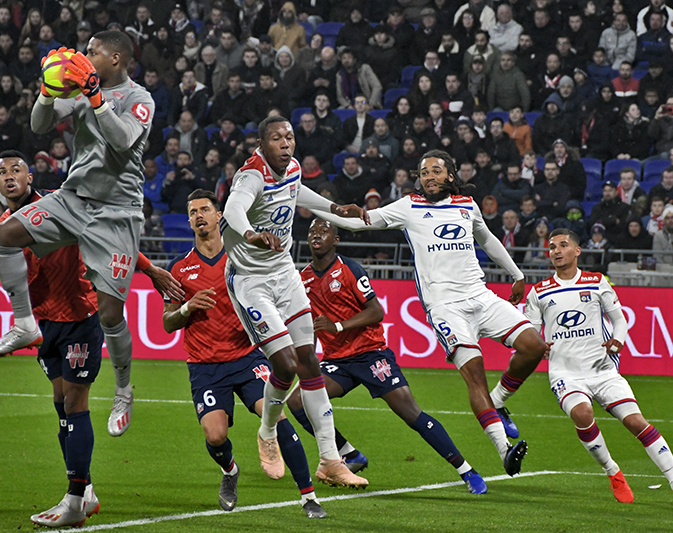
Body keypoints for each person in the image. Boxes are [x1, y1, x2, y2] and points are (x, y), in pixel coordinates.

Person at [310, 149, 549, 476]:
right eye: (424, 173)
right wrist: (312, 203)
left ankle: (500, 399)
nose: (429, 177)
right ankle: (504, 450)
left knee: (535, 345)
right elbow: (361, 223)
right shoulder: (409, 206)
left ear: (450, 176)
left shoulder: (467, 206)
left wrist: (516, 273)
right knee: (474, 375)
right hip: (445, 308)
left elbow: (488, 238)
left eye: (436, 171)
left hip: (480, 295)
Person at [0, 33, 176, 440]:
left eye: (92, 52)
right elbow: (38, 126)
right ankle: (24, 323)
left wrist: (94, 96)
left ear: (116, 57)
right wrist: (47, 89)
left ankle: (124, 387)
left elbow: (124, 141)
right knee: (5, 234)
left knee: (109, 314)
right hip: (73, 199)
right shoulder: (78, 87)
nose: (85, 56)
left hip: (117, 214)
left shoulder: (139, 97)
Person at [0, 150, 178, 527]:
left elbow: (107, 235)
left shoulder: (56, 205)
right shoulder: (7, 224)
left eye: (16, 169)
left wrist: (149, 269)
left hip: (80, 315)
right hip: (46, 324)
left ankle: (75, 500)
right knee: (61, 405)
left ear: (30, 177)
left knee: (75, 403)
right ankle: (85, 489)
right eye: (1, 172)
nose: (9, 175)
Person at [287, 218, 488, 495]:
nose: (317, 234)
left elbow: (376, 311)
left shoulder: (350, 270)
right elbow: (306, 321)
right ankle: (348, 453)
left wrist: (337, 326)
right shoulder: (304, 278)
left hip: (371, 354)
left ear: (336, 240)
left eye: (325, 230)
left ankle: (467, 471)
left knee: (410, 413)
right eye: (312, 231)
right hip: (337, 361)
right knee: (298, 400)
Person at [221, 115, 370, 488]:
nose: (286, 142)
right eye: (276, 138)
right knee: (285, 363)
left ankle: (330, 461)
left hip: (284, 273)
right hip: (251, 280)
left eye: (289, 136)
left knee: (308, 361)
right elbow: (233, 210)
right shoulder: (251, 174)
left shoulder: (292, 168)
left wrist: (335, 209)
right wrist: (252, 233)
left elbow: (298, 192)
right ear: (262, 143)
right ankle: (268, 431)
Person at [161, 189, 327, 518]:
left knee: (276, 414)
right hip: (205, 366)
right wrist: (186, 309)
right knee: (215, 434)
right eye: (192, 212)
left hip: (247, 357)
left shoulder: (242, 258)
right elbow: (167, 322)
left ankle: (308, 497)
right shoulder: (179, 268)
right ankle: (230, 472)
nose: (198, 216)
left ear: (219, 215)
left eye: (204, 209)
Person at [526, 228, 673, 505]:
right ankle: (613, 472)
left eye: (563, 245)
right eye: (552, 247)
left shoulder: (596, 282)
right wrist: (537, 346)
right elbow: (532, 333)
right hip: (565, 373)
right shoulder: (539, 292)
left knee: (635, 421)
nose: (556, 251)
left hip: (602, 369)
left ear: (577, 251)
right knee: (582, 414)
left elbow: (619, 319)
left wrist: (618, 340)